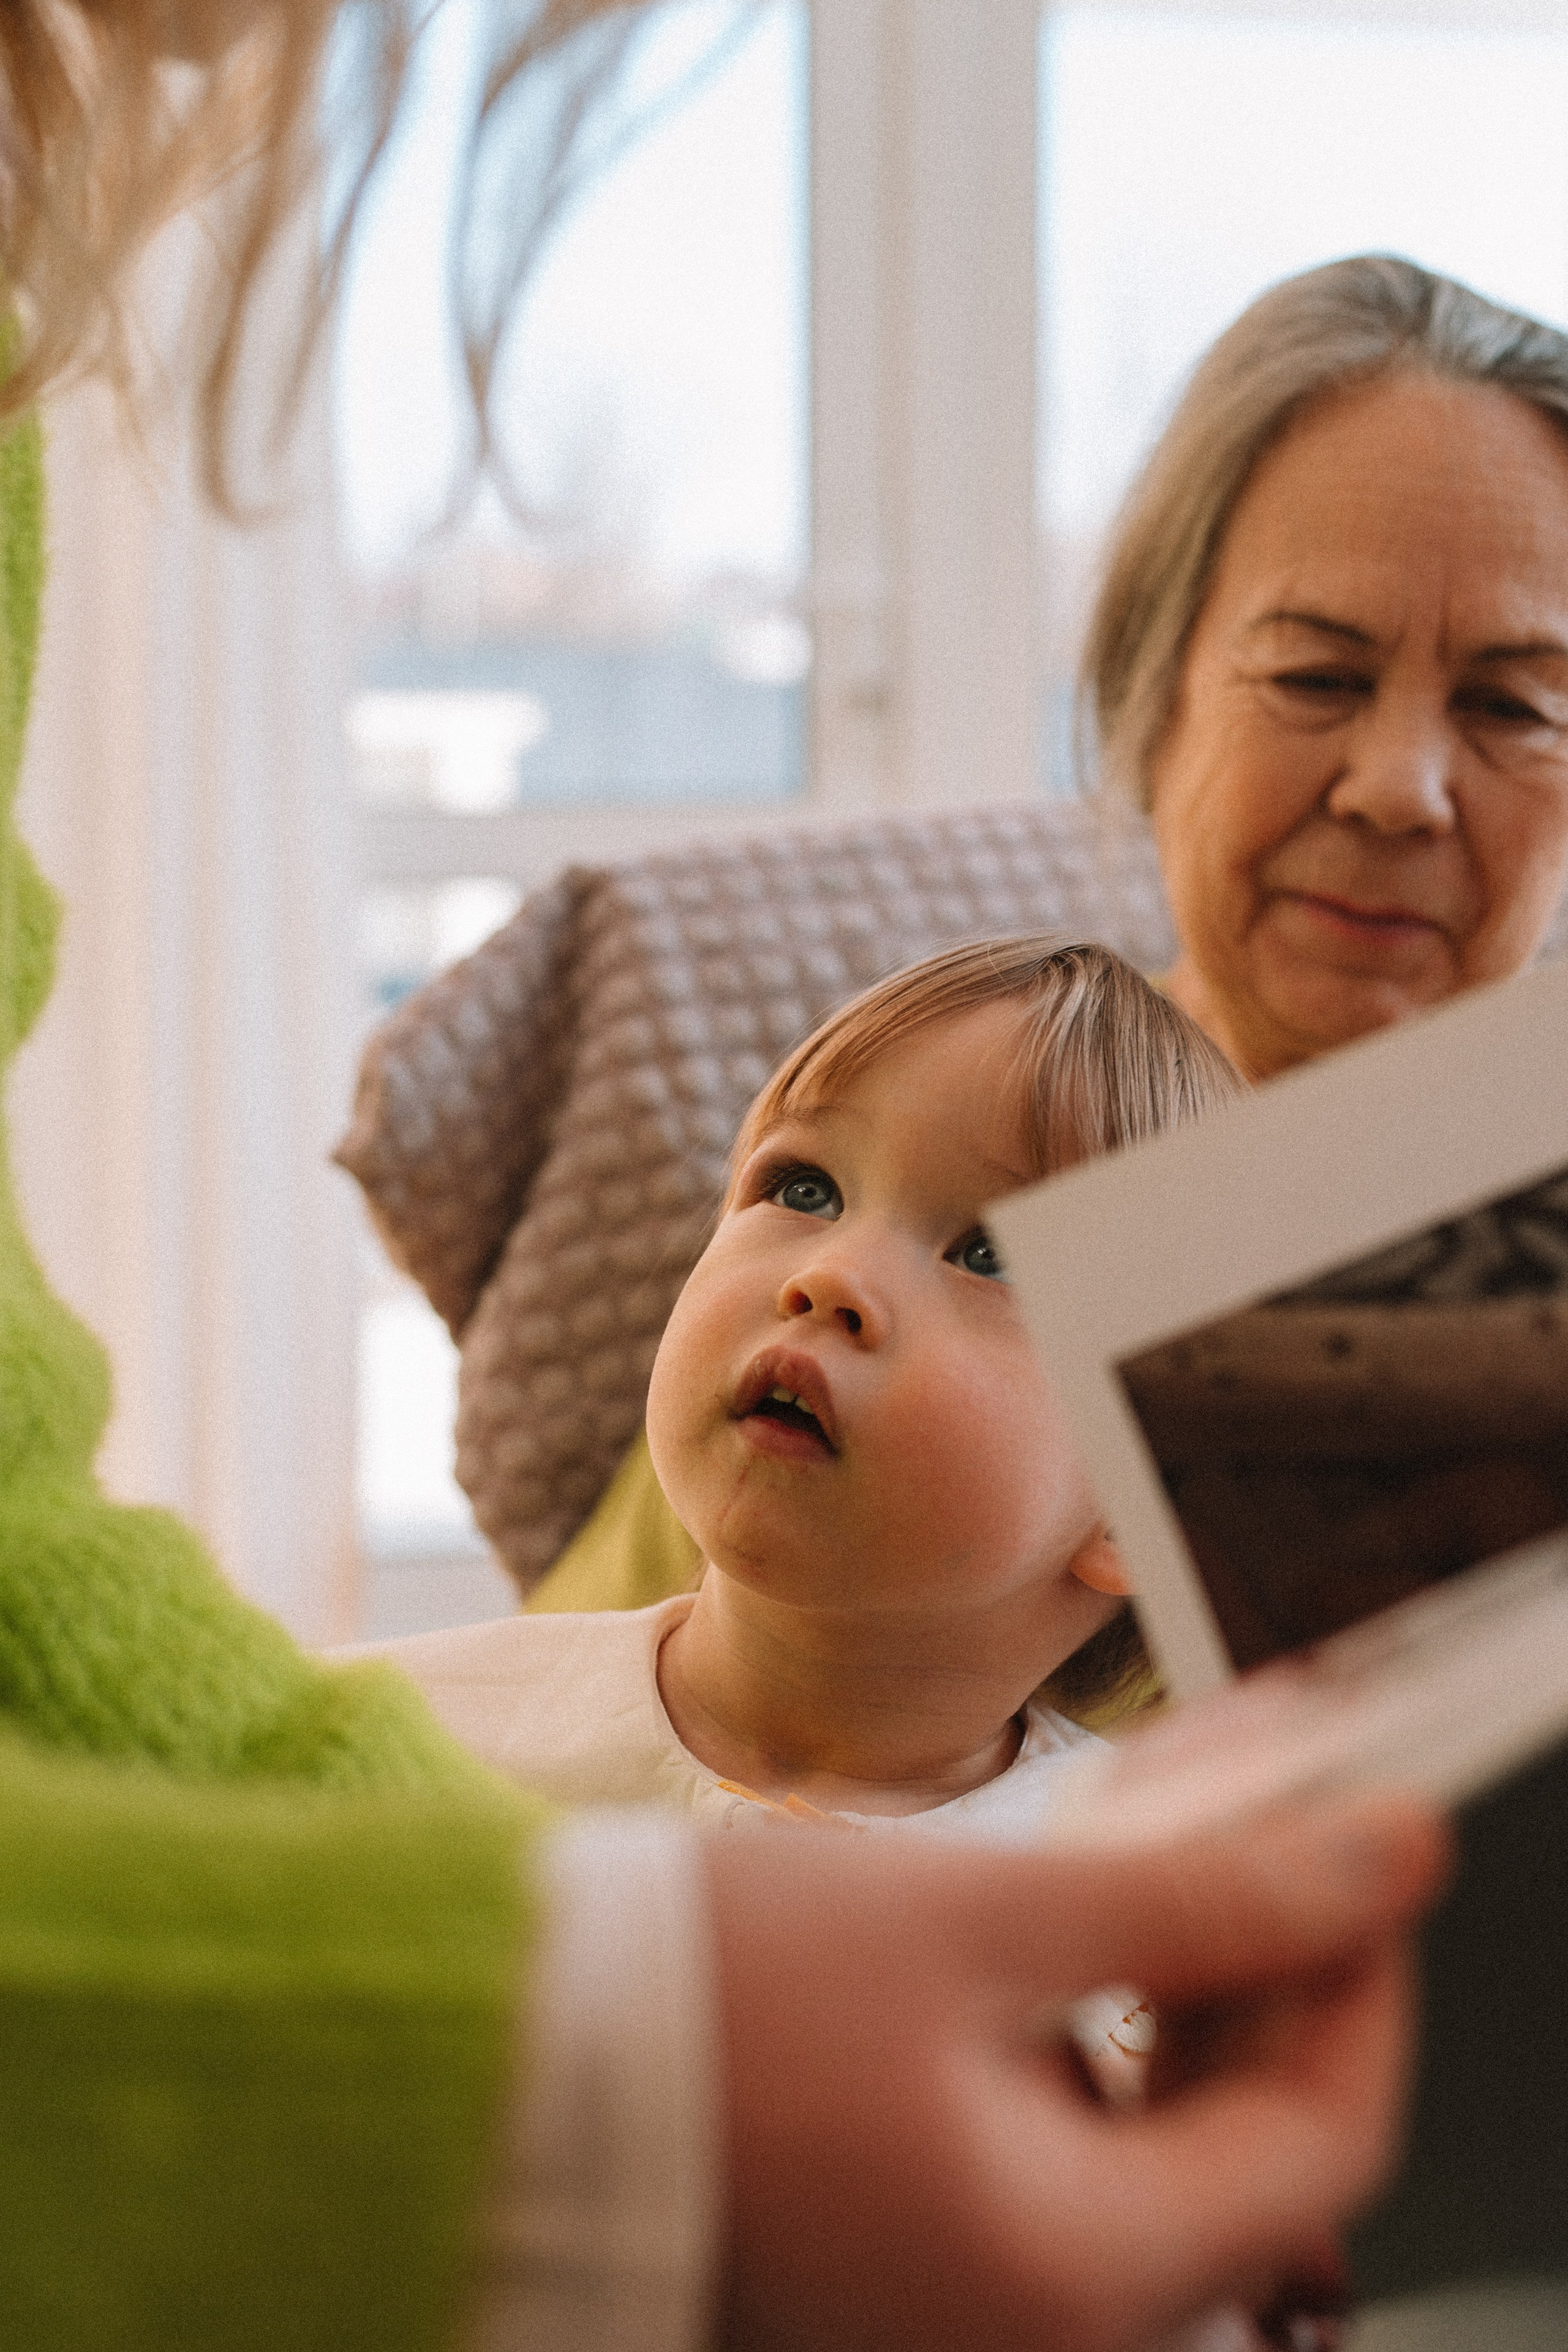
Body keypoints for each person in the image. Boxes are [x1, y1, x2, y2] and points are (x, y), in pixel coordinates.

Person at [0, 6, 1450, 2344]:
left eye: (1518, 696)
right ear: (1157, 698)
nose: (1404, 783)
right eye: (788, 1189)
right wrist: (587, 2065)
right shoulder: (462, 1734)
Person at [348, 940, 1235, 1833]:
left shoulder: (1159, 1906)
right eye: (804, 1189)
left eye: (989, 1256)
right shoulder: (382, 1745)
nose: (832, 1276)